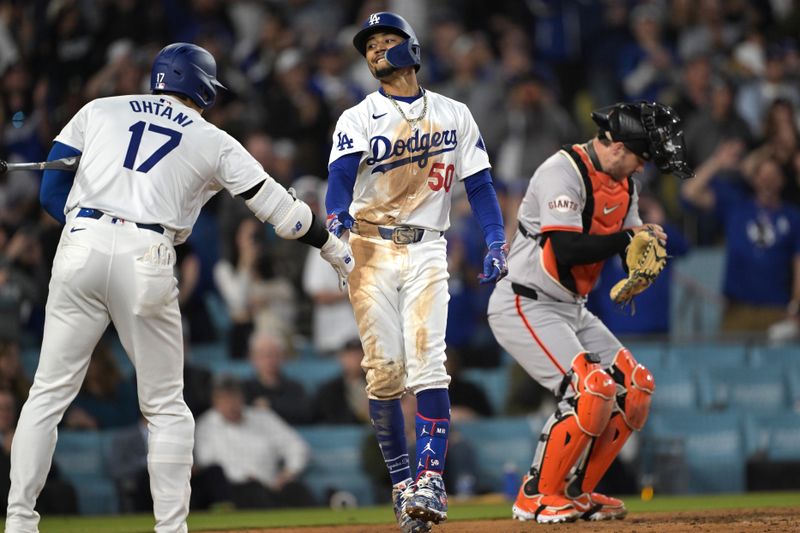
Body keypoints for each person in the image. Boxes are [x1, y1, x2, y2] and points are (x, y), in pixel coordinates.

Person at [6, 42, 353, 533]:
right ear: (203, 90)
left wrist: (93, 227)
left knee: (45, 395)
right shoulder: (214, 139)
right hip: (146, 254)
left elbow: (50, 191)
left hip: (78, 244)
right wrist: (333, 248)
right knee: (167, 407)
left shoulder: (98, 108)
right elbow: (286, 215)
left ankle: (19, 521)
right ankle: (171, 529)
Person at [324, 12, 508, 533]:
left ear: (413, 49)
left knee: (429, 365)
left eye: (387, 40)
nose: (377, 49)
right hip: (369, 248)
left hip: (428, 247)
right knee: (384, 375)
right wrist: (335, 218)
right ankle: (403, 484)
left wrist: (496, 238)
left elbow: (479, 185)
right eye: (370, 45)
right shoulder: (358, 117)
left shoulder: (454, 113)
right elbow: (338, 179)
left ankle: (430, 480)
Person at [487, 101, 693, 523]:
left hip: (571, 307)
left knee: (637, 386)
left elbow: (623, 245)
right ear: (617, 146)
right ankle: (536, 495)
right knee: (592, 387)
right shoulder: (561, 171)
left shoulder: (626, 186)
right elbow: (565, 249)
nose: (641, 168)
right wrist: (625, 240)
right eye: (641, 157)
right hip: (525, 301)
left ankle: (577, 492)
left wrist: (640, 253)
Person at [681, 146, 800, 333]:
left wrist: (795, 308)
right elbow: (690, 192)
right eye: (763, 176)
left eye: (773, 176)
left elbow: (798, 264)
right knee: (729, 362)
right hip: (736, 311)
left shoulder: (793, 217)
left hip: (776, 310)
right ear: (754, 180)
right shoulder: (736, 206)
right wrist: (717, 162)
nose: (768, 182)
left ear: (782, 181)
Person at [194, 375, 315, 509]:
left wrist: (288, 472)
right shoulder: (205, 426)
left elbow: (297, 446)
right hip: (233, 492)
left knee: (297, 490)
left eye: (234, 396)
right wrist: (244, 477)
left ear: (242, 397)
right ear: (214, 401)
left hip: (273, 486)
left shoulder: (263, 417)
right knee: (252, 491)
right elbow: (207, 465)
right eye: (224, 398)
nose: (230, 404)